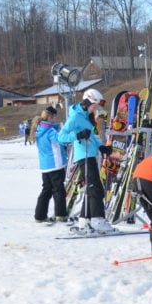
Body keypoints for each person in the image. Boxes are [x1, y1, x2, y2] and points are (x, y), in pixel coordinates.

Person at [57, 87, 115, 233]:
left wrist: (102, 148)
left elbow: (89, 137)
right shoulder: (75, 117)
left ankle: (84, 220)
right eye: (94, 106)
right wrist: (77, 136)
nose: (95, 109)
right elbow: (61, 137)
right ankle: (97, 220)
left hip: (90, 155)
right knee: (95, 189)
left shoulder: (85, 117)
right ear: (88, 102)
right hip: (83, 157)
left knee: (92, 188)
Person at [34, 105, 68, 223]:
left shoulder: (39, 129)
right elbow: (61, 140)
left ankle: (40, 215)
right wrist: (65, 131)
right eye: (53, 118)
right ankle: (61, 214)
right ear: (49, 117)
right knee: (59, 190)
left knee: (46, 190)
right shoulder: (50, 131)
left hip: (45, 166)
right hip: (55, 164)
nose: (55, 120)